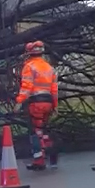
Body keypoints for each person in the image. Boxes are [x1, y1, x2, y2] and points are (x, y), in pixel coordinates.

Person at [15, 40, 59, 169]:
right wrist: (55, 106)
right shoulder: (50, 68)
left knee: (35, 132)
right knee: (44, 130)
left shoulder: (29, 67)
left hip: (35, 102)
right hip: (48, 102)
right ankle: (52, 155)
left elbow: (26, 87)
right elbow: (54, 89)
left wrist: (19, 102)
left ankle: (39, 161)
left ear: (28, 54)